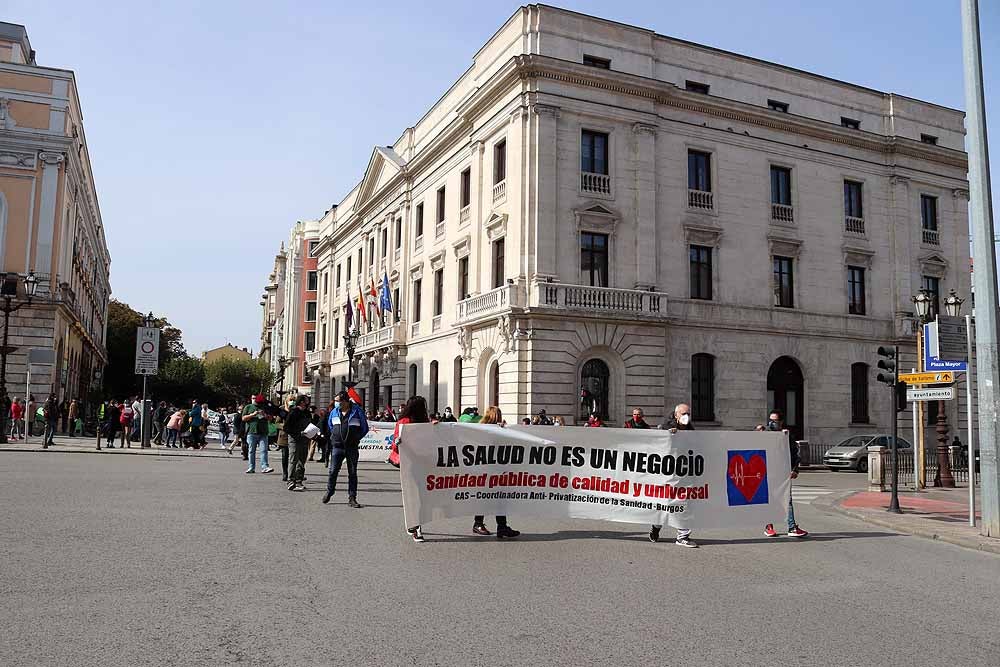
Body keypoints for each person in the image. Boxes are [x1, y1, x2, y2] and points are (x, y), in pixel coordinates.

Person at [650, 403, 698, 548]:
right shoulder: (667, 426)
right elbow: (657, 444)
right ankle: (656, 526)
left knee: (685, 502)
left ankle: (683, 536)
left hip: (685, 472)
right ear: (676, 414)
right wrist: (669, 435)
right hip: (669, 473)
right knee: (666, 502)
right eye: (683, 413)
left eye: (688, 413)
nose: (686, 416)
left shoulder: (690, 429)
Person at [473, 407, 521, 539]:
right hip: (487, 469)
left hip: (495, 469)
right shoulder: (484, 430)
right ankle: (480, 524)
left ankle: (501, 526)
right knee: (488, 498)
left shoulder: (492, 428)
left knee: (499, 498)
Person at [763, 410, 809, 539]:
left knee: (787, 500)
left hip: (783, 474)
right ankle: (769, 527)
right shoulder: (765, 435)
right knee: (770, 500)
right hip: (768, 473)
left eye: (775, 420)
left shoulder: (786, 436)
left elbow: (795, 454)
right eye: (770, 420)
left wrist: (795, 469)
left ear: (781, 422)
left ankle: (792, 527)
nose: (772, 423)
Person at [323, 391, 369, 507]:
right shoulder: (334, 412)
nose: (336, 403)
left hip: (351, 447)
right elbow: (330, 425)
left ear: (345, 401)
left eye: (338, 401)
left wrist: (356, 438)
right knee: (333, 471)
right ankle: (329, 491)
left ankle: (352, 497)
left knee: (352, 472)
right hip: (337, 447)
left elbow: (364, 428)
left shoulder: (357, 411)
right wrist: (335, 436)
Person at [395, 396, 430, 541]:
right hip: (413, 463)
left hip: (417, 463)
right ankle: (416, 526)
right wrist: (398, 442)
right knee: (416, 496)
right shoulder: (404, 423)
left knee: (417, 495)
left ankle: (414, 524)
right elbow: (395, 444)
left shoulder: (427, 423)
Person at [285, 395, 313, 491]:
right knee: (293, 459)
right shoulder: (294, 412)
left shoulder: (307, 413)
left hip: (305, 439)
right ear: (301, 402)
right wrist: (298, 432)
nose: (308, 402)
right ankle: (291, 480)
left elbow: (311, 424)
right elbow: (287, 427)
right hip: (294, 439)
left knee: (302, 460)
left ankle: (299, 480)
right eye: (306, 400)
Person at [242, 395, 274, 474]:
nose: (255, 400)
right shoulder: (248, 407)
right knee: (251, 451)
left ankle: (265, 467)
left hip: (263, 432)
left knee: (263, 450)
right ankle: (251, 467)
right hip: (252, 432)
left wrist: (265, 415)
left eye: (256, 398)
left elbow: (271, 418)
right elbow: (243, 418)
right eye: (253, 398)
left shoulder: (265, 407)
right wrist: (252, 414)